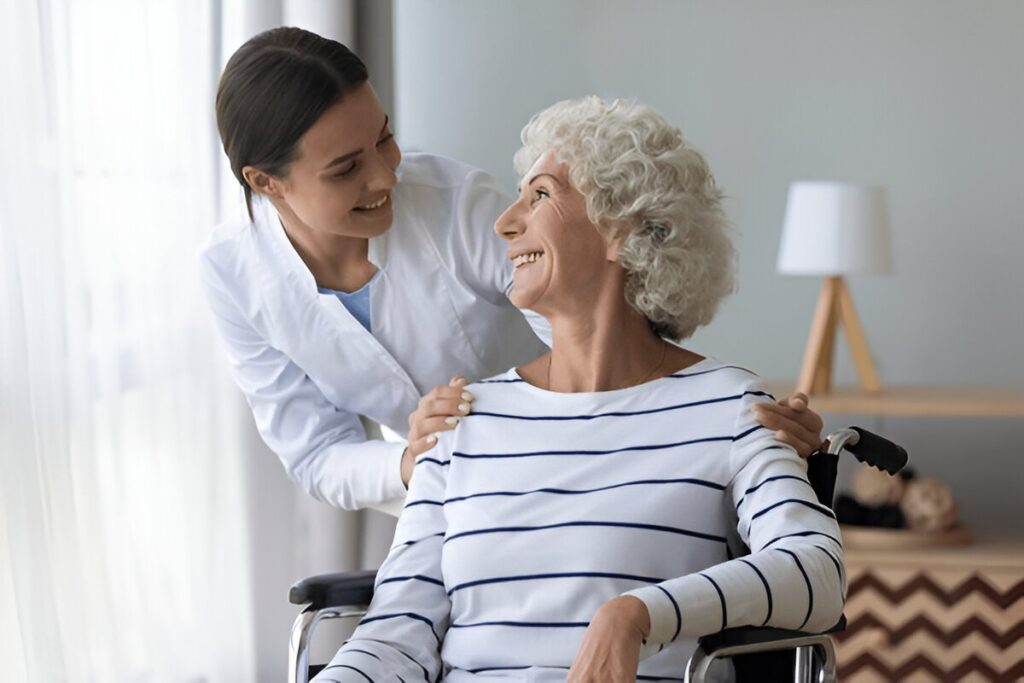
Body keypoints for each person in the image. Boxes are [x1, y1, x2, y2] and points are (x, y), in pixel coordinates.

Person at [312, 97, 845, 682]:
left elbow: (814, 572)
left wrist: (636, 615)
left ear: (624, 227)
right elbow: (395, 635)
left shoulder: (729, 409)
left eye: (540, 195)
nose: (505, 221)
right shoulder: (465, 422)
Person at [200, 27, 825, 517]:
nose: (387, 177)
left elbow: (590, 328)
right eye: (346, 169)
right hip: (451, 505)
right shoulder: (233, 275)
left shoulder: (451, 201)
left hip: (592, 459)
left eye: (385, 140)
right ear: (265, 182)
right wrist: (411, 462)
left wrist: (726, 423)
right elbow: (316, 455)